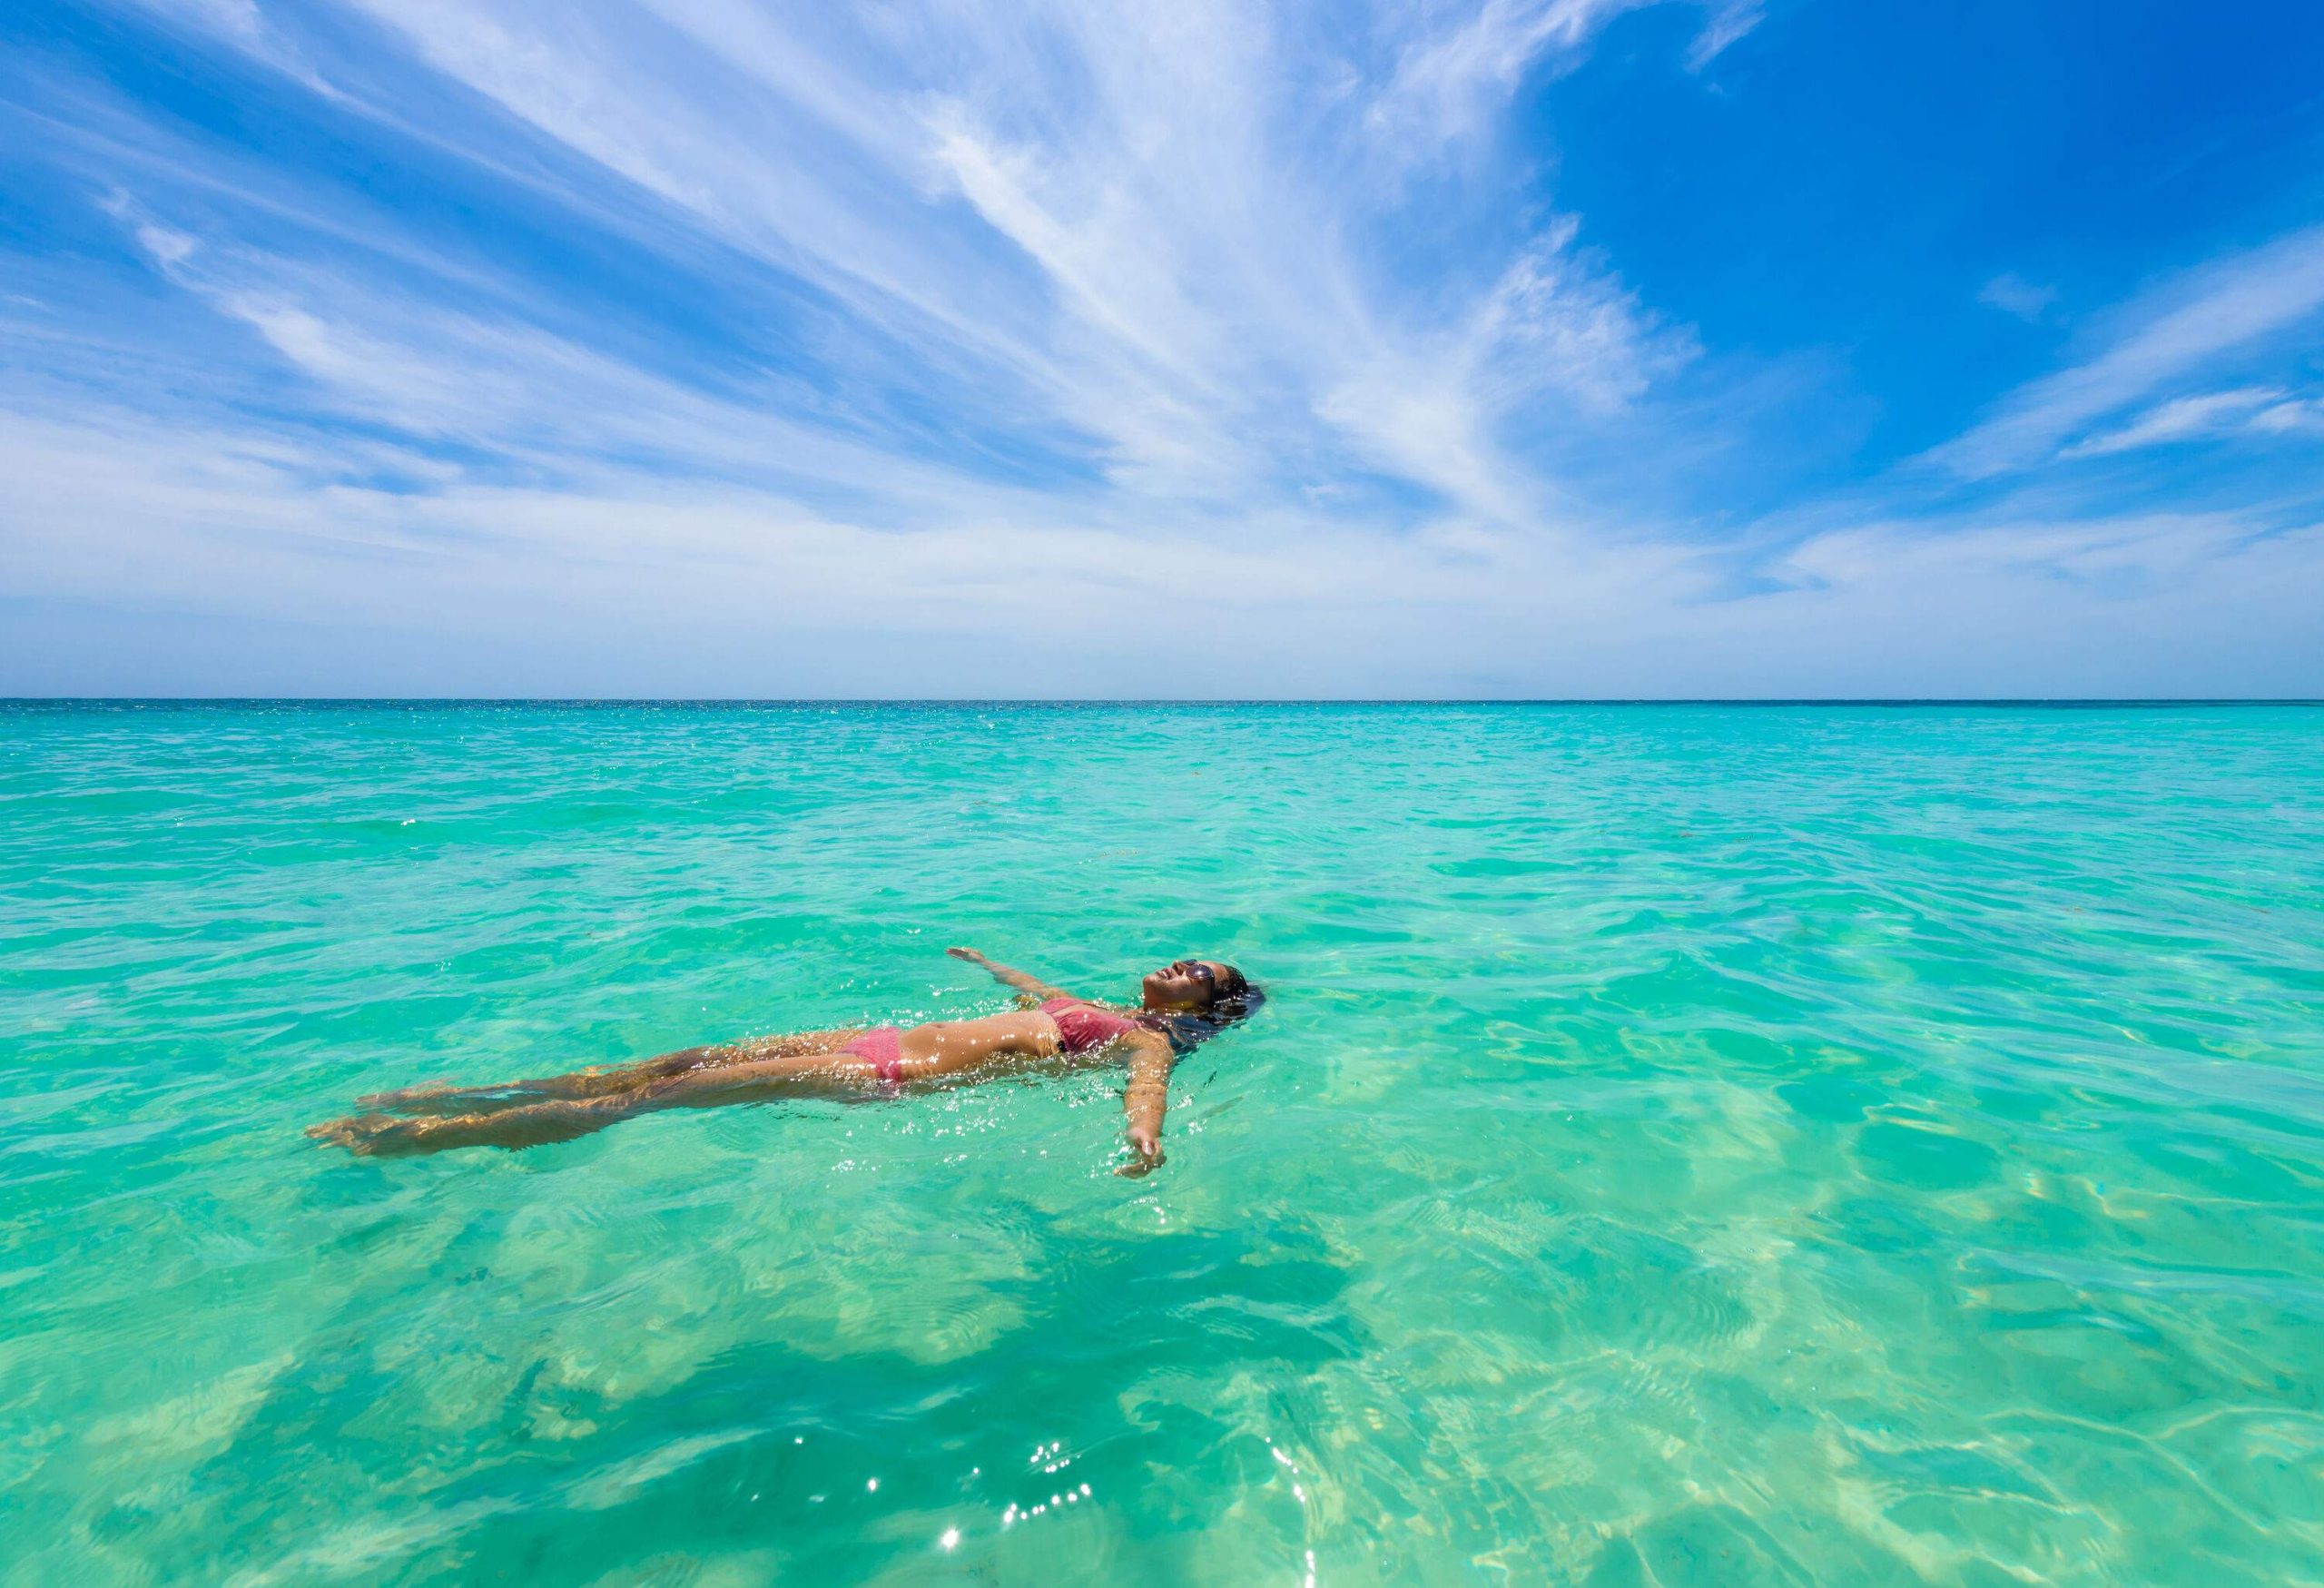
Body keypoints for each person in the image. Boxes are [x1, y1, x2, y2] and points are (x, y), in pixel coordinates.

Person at [306, 949, 1261, 1175]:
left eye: (1197, 974)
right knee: (672, 1059)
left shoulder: (1142, 1038)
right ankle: (485, 1093)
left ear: (1201, 1007)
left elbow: (1147, 1089)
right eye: (1183, 956)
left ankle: (416, 1139)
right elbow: (1031, 992)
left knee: (656, 1100)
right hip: (862, 1036)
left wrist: (1144, 1143)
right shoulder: (1091, 1005)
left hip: (882, 1072)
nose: (1179, 965)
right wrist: (988, 961)